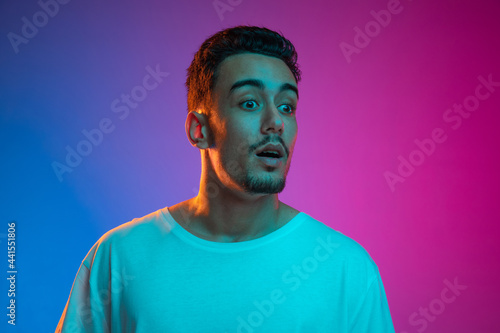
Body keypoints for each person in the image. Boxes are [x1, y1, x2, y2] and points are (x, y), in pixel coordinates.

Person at [56, 26, 395, 332]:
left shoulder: (346, 268)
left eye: (287, 106)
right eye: (249, 103)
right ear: (199, 129)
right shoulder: (120, 255)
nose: (275, 122)